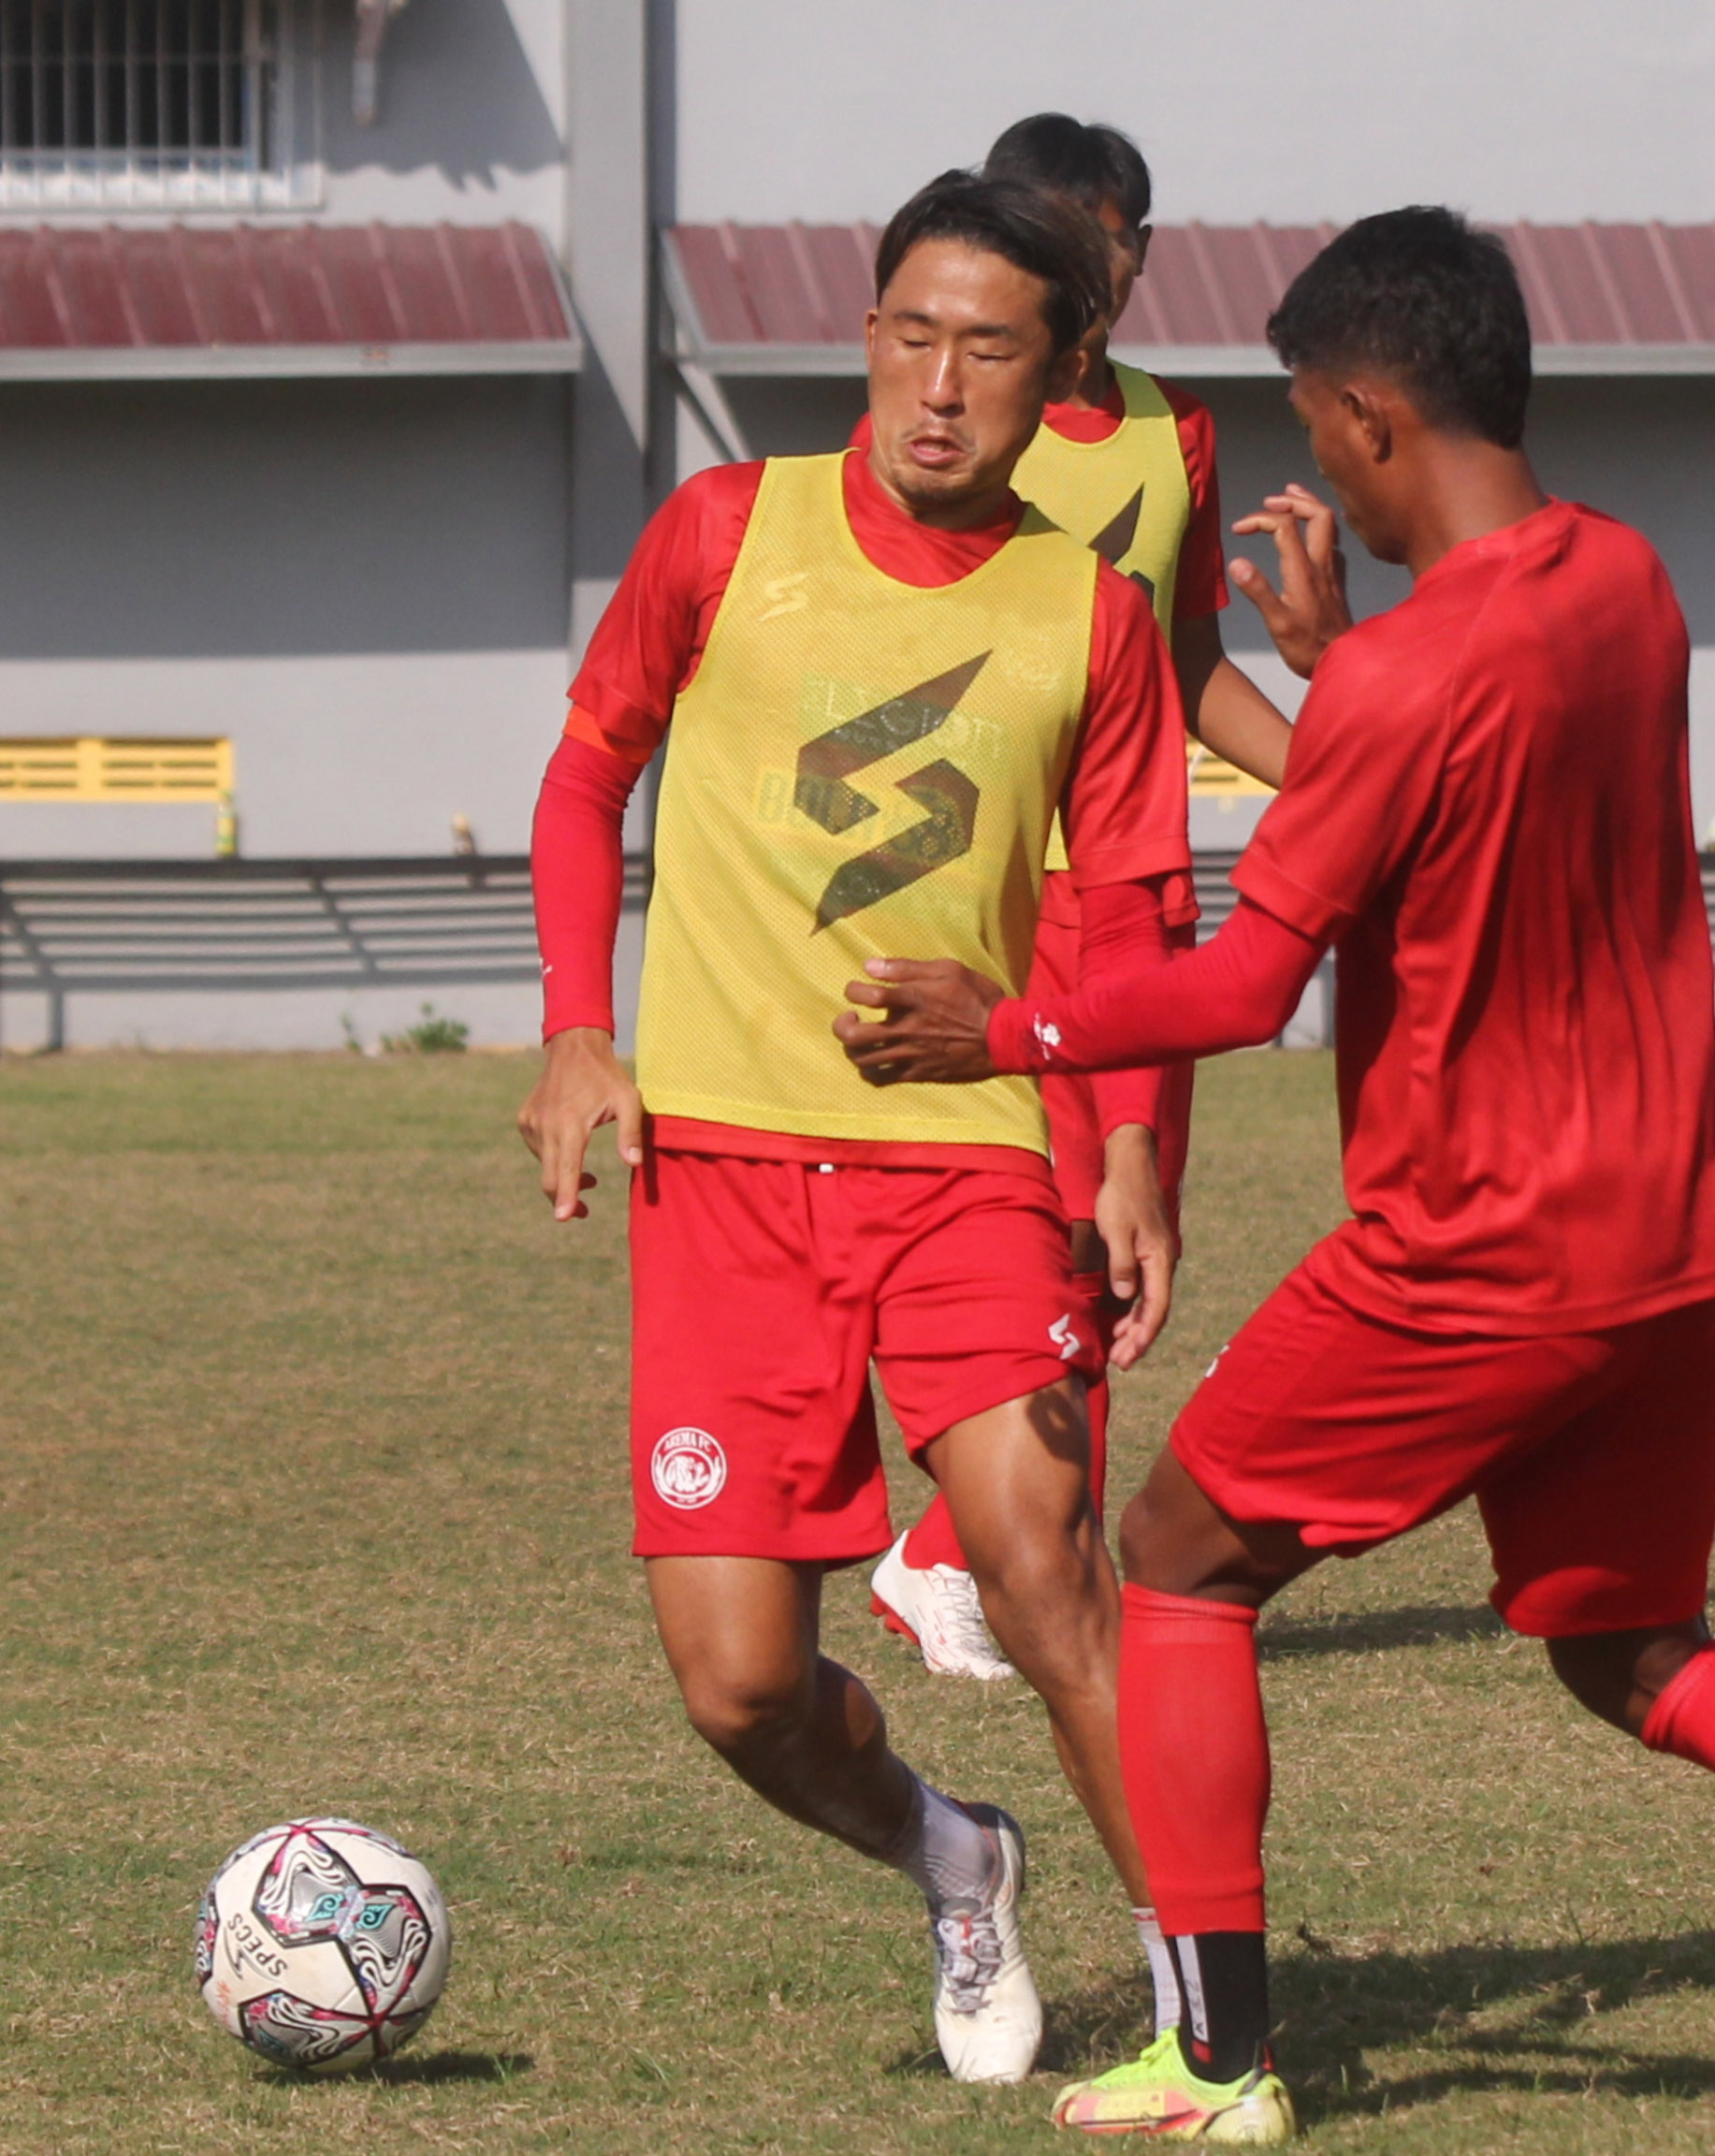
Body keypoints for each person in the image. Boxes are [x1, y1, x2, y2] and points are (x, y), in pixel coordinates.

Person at [836, 206, 1715, 2141]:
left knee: (1179, 1569)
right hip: (1677, 1249)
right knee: (1636, 1652)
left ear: (1371, 414)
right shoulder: (1629, 581)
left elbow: (1245, 980)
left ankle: (1219, 2063)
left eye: (1316, 423)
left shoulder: (1398, 684)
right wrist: (1338, 664)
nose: (1317, 465)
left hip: (1477, 1253)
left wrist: (1007, 1026)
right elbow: (1478, 779)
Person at [511, 171, 1191, 2082]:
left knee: (1040, 1560)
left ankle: (1210, 2001)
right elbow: (583, 784)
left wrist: (1127, 1147)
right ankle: (955, 1855)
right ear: (865, 332)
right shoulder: (727, 529)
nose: (938, 383)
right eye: (910, 332)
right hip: (723, 1179)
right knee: (739, 1689)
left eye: (988, 346)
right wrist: (579, 1034)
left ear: (1061, 374)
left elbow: (1132, 917)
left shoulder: (1088, 612)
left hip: (967, 1161)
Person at [863, 114, 1354, 1696]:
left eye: (1130, 230)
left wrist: (1346, 777)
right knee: (1034, 1231)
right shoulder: (938, 421)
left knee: (1126, 1239)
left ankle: (978, 1551)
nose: (1115, 257)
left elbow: (1193, 668)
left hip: (1131, 888)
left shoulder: (1174, 433)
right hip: (994, 887)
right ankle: (949, 1555)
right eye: (1083, 226)